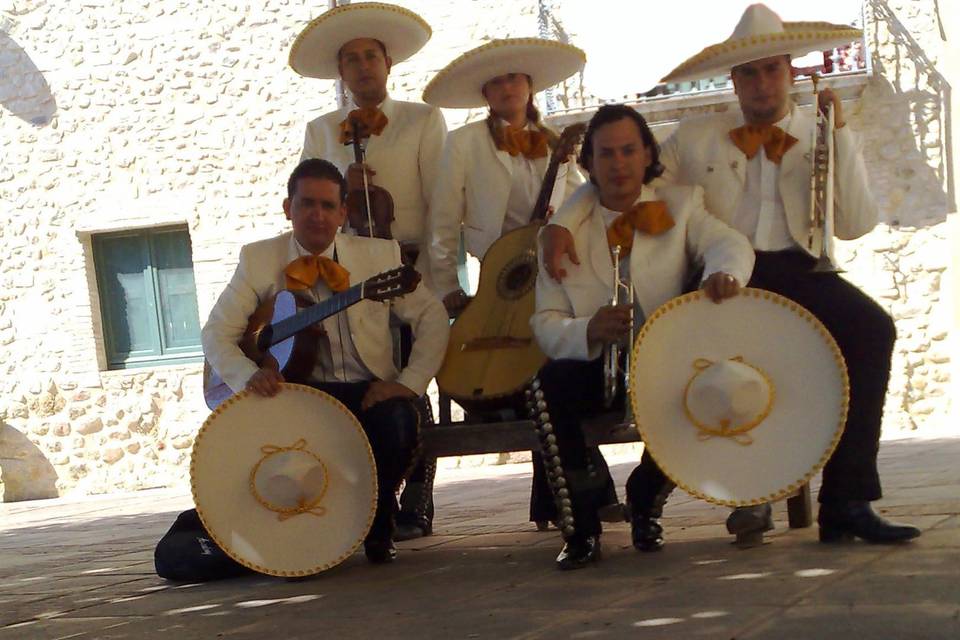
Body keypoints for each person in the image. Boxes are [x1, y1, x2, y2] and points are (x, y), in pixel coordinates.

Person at [541, 4, 921, 545]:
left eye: (771, 69)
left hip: (799, 269)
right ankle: (728, 486)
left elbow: (858, 224)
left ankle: (848, 500)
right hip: (717, 274)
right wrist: (563, 219)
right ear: (733, 79)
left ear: (790, 70)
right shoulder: (697, 137)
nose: (761, 83)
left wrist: (840, 134)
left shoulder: (818, 129)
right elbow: (624, 180)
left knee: (873, 330)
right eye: (749, 72)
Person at [155, 159, 449, 579]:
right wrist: (248, 374)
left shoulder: (380, 256)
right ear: (287, 207)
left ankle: (377, 518)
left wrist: (408, 383)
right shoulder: (258, 259)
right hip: (298, 393)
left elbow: (433, 319)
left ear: (344, 214)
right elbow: (217, 334)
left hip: (367, 389)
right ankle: (309, 535)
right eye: (307, 203)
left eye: (329, 206)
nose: (318, 214)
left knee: (401, 418)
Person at [530, 104, 754, 570]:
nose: (618, 163)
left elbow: (728, 244)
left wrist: (722, 273)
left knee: (708, 383)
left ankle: (646, 493)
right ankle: (582, 527)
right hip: (598, 365)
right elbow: (545, 323)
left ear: (647, 154)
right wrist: (586, 330)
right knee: (548, 387)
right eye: (606, 153)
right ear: (588, 163)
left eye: (629, 150)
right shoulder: (560, 234)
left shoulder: (682, 204)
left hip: (665, 362)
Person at [412, 38, 603, 536]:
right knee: (509, 363)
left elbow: (583, 206)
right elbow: (443, 220)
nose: (505, 88)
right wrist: (448, 286)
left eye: (513, 78)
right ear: (485, 94)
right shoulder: (466, 142)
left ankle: (563, 492)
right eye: (494, 83)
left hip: (553, 276)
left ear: (529, 85)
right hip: (499, 276)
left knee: (553, 360)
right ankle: (576, 488)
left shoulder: (556, 141)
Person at [289, 2, 446, 288]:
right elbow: (306, 201)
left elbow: (441, 201)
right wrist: (343, 188)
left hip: (414, 259)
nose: (363, 66)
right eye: (352, 59)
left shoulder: (423, 119)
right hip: (348, 268)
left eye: (371, 56)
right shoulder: (320, 129)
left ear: (387, 63)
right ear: (341, 71)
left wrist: (434, 267)